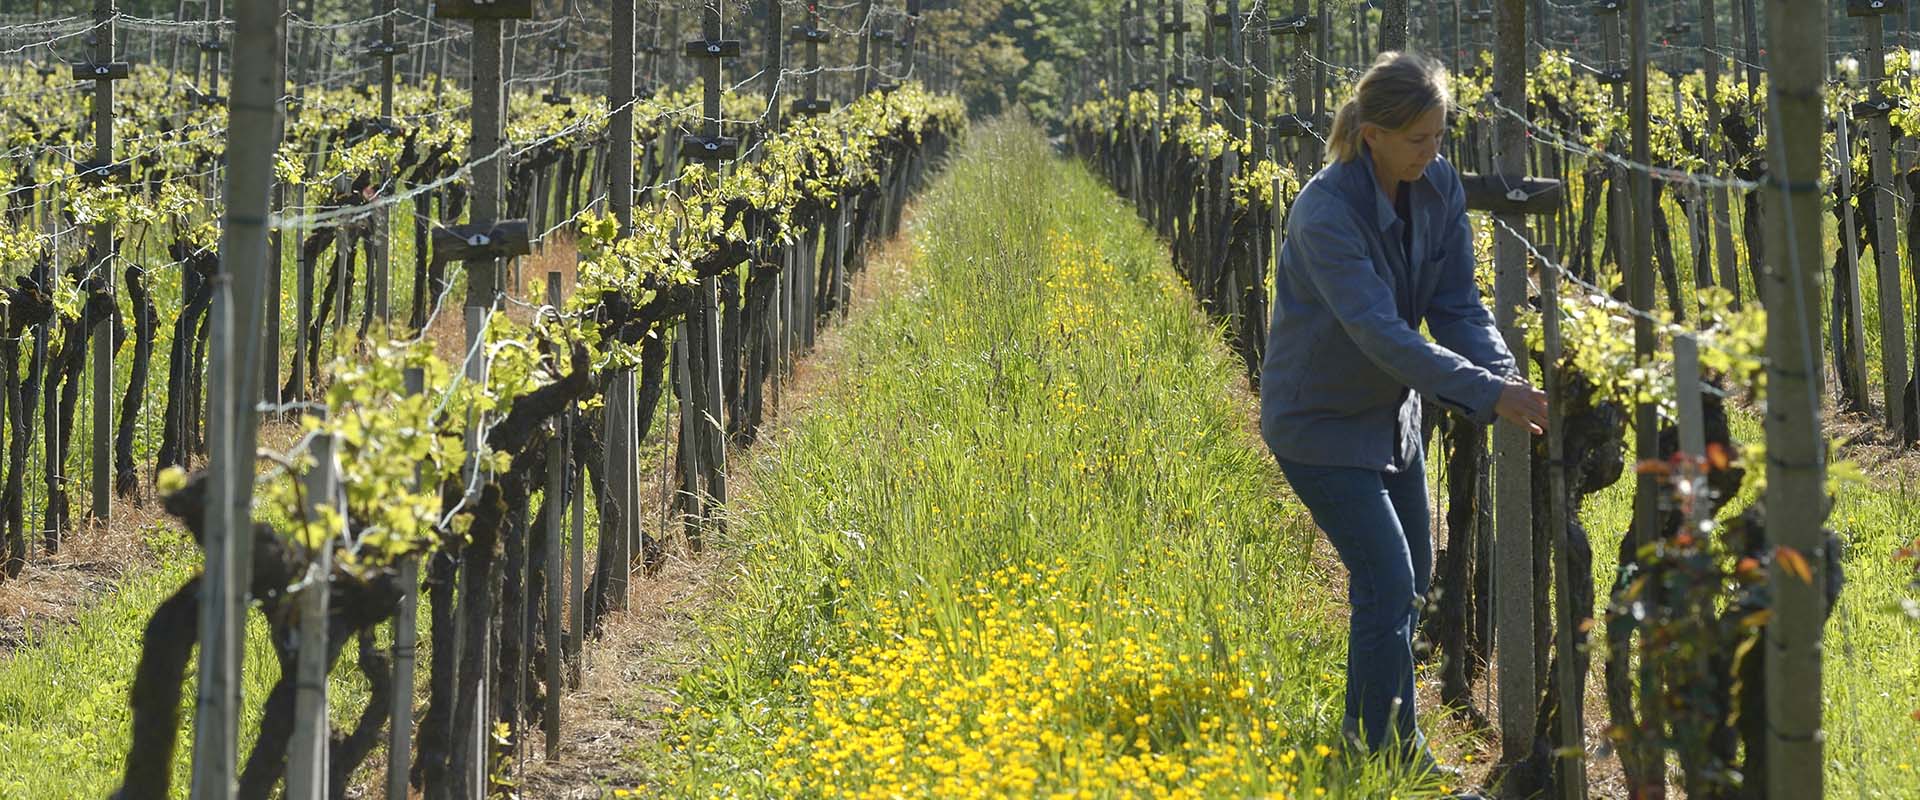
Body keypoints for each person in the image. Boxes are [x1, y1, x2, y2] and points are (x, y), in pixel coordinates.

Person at [1257, 51, 1549, 776]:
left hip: (1394, 420)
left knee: (1410, 575)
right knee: (1386, 577)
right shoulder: (1326, 212)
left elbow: (1456, 305)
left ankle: (1382, 745)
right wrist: (1486, 395)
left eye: (1441, 137)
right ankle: (1387, 757)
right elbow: (1382, 335)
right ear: (1372, 135)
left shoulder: (1438, 185)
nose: (1433, 152)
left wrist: (1502, 372)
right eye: (1419, 139)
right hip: (1318, 423)